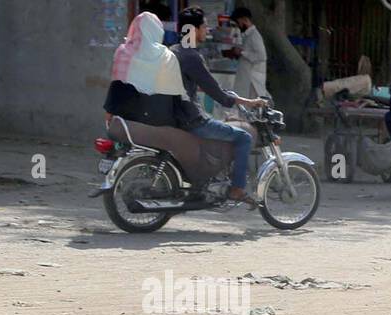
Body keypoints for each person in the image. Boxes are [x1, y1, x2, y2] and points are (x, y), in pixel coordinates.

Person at [173, 6, 264, 203]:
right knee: (244, 137)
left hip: (179, 116)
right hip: (192, 120)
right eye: (204, 27)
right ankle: (237, 189)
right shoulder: (192, 57)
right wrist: (249, 102)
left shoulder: (174, 51)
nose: (207, 31)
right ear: (193, 30)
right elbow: (217, 93)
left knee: (222, 127)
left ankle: (204, 184)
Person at [104, 11, 186, 127]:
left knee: (118, 84)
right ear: (158, 31)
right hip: (162, 121)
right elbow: (176, 97)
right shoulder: (168, 56)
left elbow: (115, 97)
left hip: (129, 122)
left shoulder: (123, 52)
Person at [226, 6, 268, 99]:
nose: (238, 26)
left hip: (253, 83)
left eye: (238, 23)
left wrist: (242, 52)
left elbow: (262, 56)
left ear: (244, 20)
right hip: (246, 80)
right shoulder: (247, 36)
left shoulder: (254, 36)